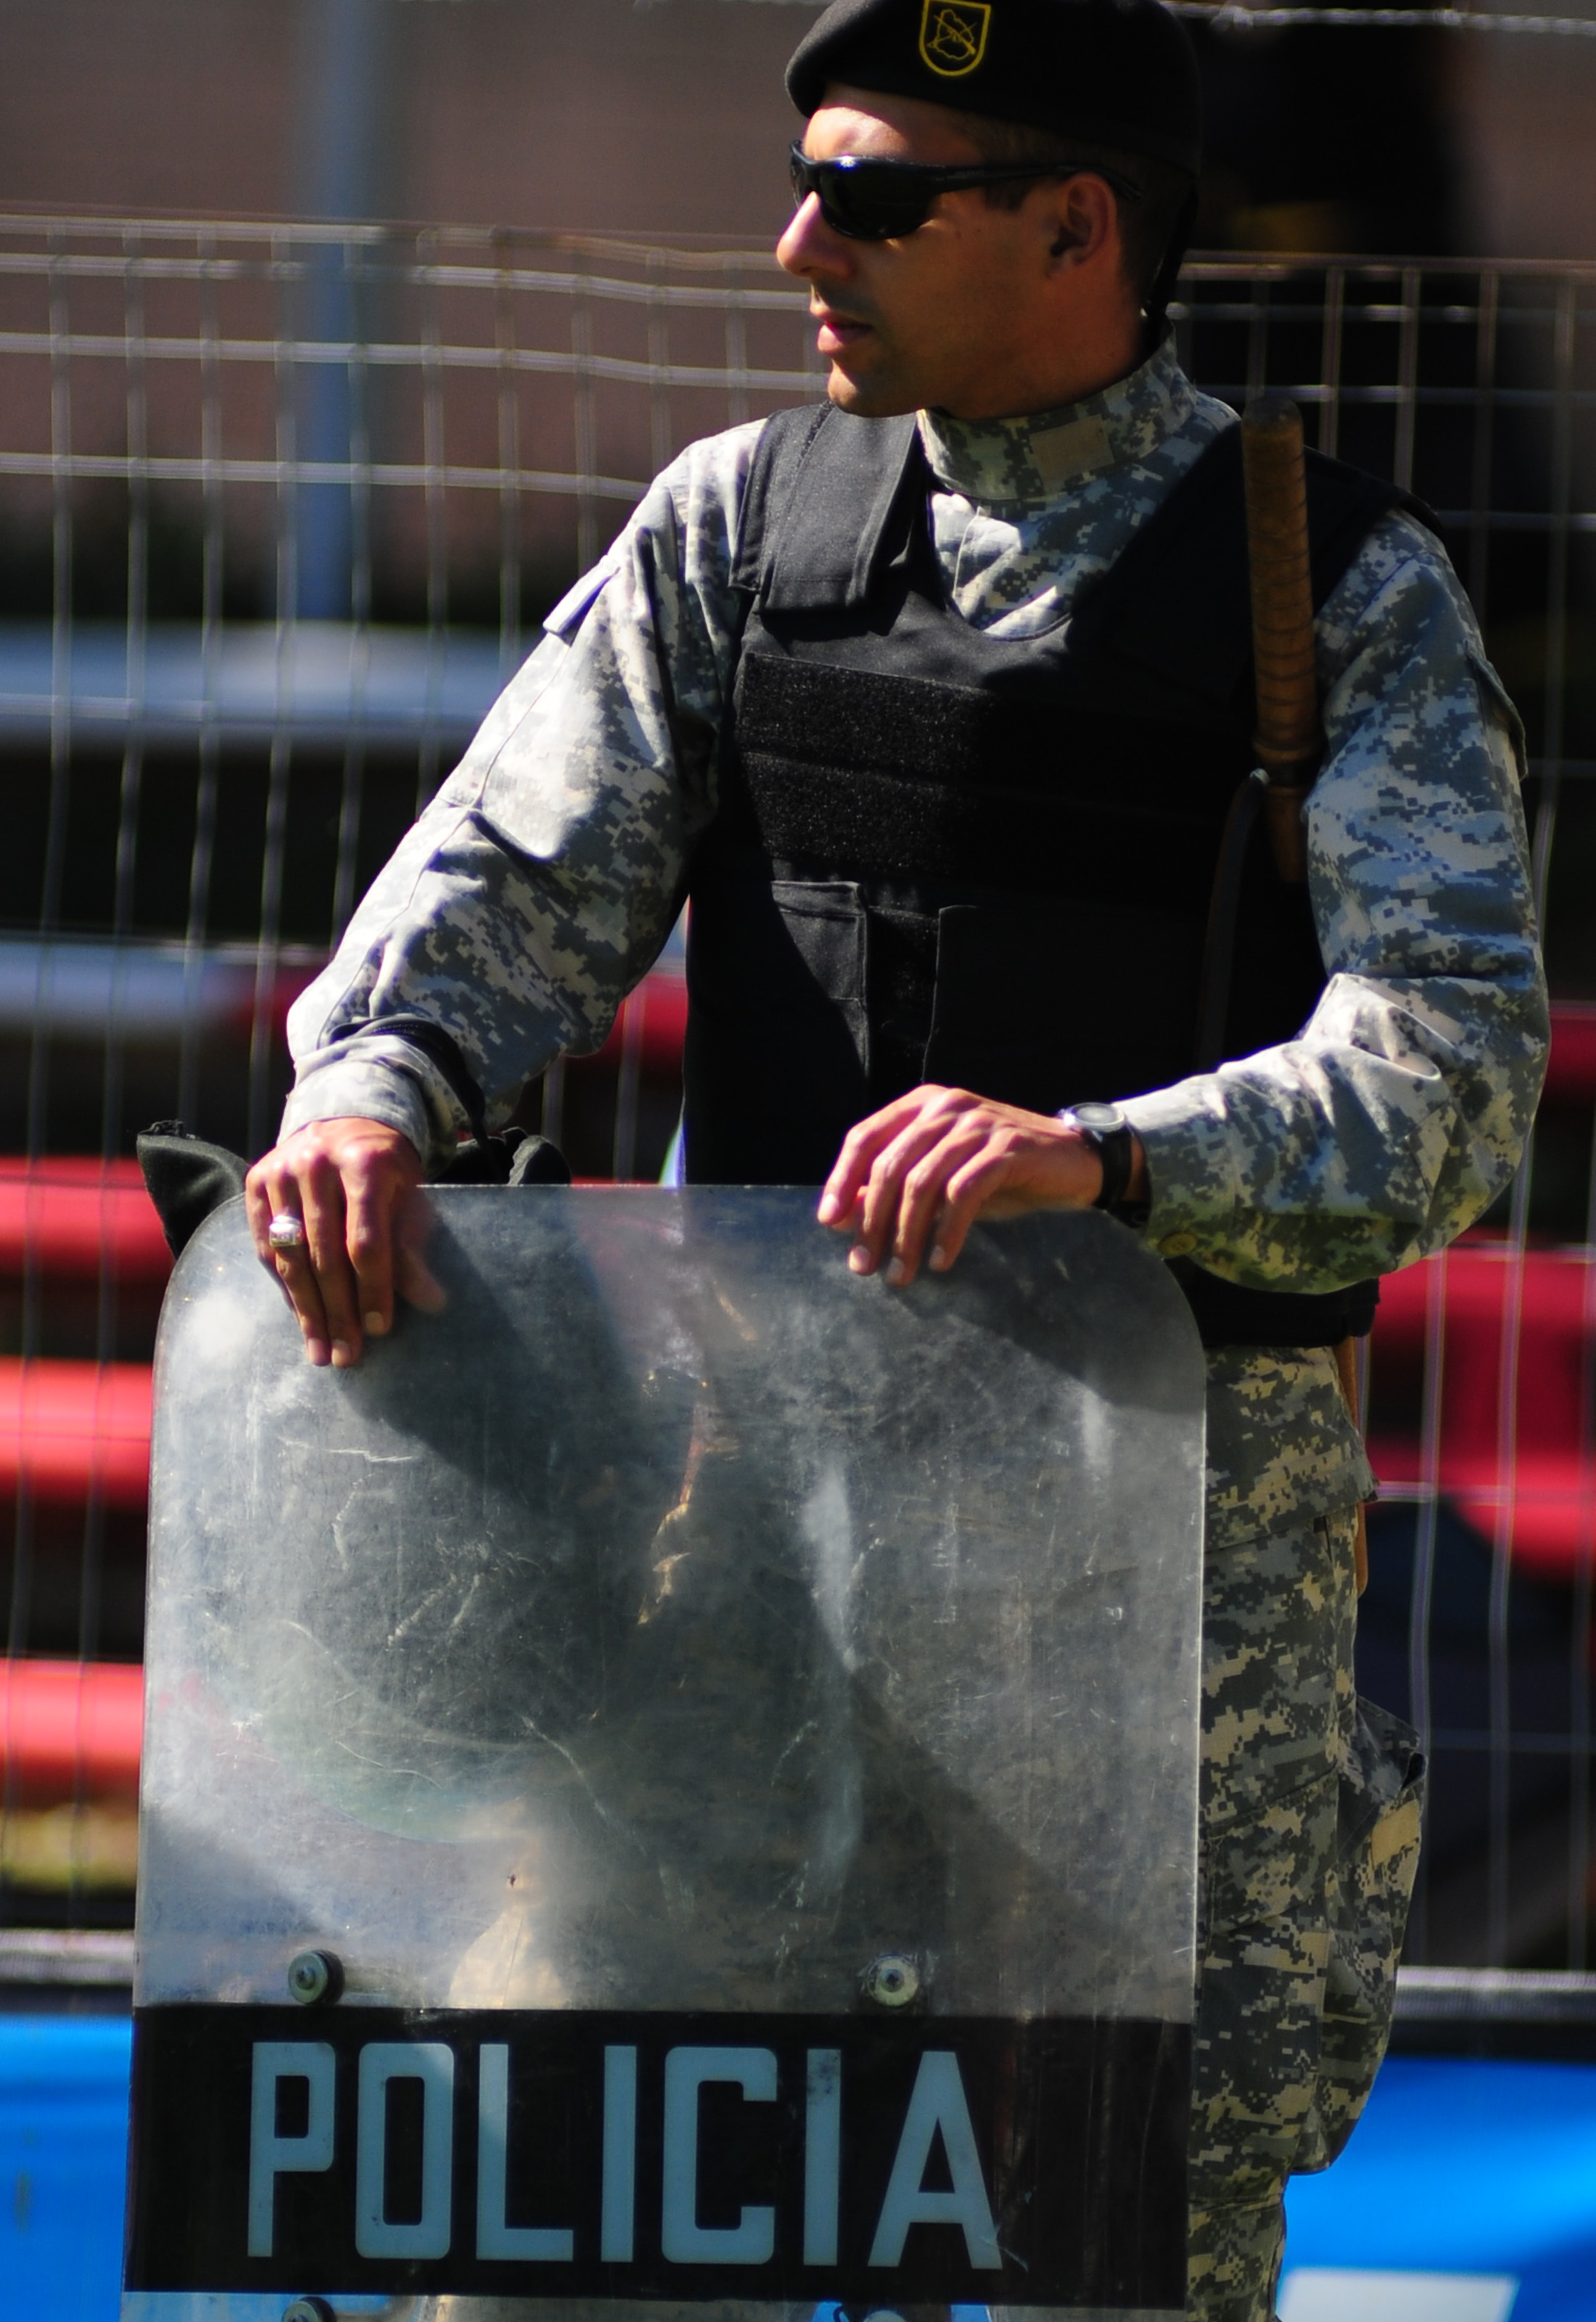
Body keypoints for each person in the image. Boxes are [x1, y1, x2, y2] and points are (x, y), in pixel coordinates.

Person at [244, 1, 1547, 2313]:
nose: (798, 246)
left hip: (1157, 1621)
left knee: (1103, 2263)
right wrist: (371, 1087)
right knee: (550, 2219)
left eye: (873, 195)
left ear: (1076, 224)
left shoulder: (1328, 587)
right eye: (806, 183)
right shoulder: (739, 529)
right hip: (745, 1560)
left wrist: (1114, 1161)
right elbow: (499, 889)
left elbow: (1453, 1072)